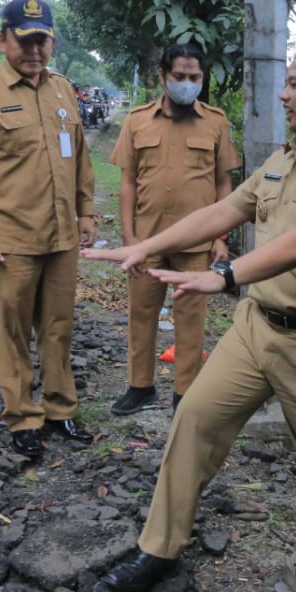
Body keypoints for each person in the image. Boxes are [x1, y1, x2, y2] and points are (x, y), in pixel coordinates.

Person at [84, 42, 296, 592]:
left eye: (294, 83)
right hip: (258, 328)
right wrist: (145, 246)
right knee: (194, 419)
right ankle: (160, 547)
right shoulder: (284, 158)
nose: (282, 93)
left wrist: (223, 276)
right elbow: (222, 212)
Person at [0, 0, 97, 460]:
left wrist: (86, 211)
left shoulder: (62, 90)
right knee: (12, 332)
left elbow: (81, 157)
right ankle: (24, 417)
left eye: (43, 40)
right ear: (3, 39)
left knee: (58, 327)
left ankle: (60, 409)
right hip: (10, 240)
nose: (35, 50)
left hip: (61, 236)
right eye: (26, 40)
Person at [108, 43, 241, 415]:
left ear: (202, 79)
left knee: (191, 319)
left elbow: (223, 184)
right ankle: (140, 387)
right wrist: (129, 238)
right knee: (141, 314)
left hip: (196, 243)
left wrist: (219, 237)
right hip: (148, 240)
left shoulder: (215, 121)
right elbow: (128, 183)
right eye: (179, 77)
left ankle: (185, 394)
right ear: (163, 76)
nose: (186, 83)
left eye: (194, 77)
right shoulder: (137, 120)